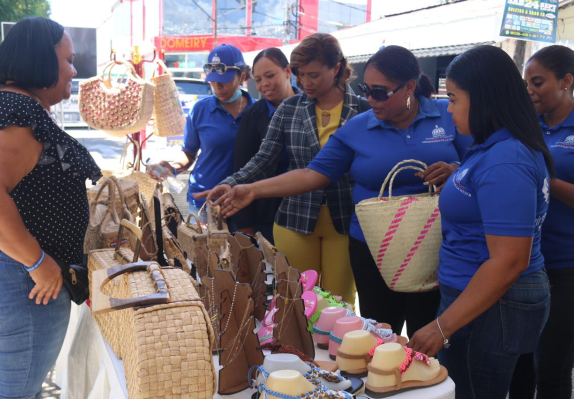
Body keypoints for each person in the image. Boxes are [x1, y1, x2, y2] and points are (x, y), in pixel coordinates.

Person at [201, 45, 471, 335]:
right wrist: (252, 189)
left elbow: (482, 160)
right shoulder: (359, 127)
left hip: (433, 245)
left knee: (428, 332)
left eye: (380, 92)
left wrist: (457, 169)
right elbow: (312, 174)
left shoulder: (448, 114)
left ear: (409, 87)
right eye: (366, 89)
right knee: (377, 333)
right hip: (373, 247)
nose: (370, 99)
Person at [407, 45, 554, 399]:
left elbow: (508, 261)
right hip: (477, 296)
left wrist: (441, 327)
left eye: (454, 100)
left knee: (471, 391)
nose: (449, 111)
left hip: (490, 302)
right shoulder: (494, 147)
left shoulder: (507, 160)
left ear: (484, 98)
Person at [0, 17, 101, 398]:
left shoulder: (17, 108)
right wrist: (38, 263)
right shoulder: (16, 113)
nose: (74, 70)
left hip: (21, 276)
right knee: (17, 391)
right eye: (68, 60)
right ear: (41, 60)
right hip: (24, 279)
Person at [198, 33, 369, 307]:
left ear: (336, 68)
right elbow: (263, 159)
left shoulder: (363, 108)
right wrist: (231, 182)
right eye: (301, 75)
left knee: (339, 305)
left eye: (313, 75)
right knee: (295, 302)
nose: (305, 82)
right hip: (295, 217)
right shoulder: (289, 108)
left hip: (346, 219)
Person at [510, 45, 574, 399]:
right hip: (524, 262)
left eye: (538, 82)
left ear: (566, 80)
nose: (530, 90)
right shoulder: (525, 125)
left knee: (551, 368)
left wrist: (545, 173)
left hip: (566, 265)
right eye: (526, 83)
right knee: (518, 361)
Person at [151, 44, 254, 223]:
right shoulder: (200, 110)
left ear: (242, 76)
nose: (217, 87)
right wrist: (171, 167)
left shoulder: (258, 111)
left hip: (246, 203)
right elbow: (189, 153)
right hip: (203, 203)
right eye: (213, 81)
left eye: (224, 81)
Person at [233, 48, 297, 243]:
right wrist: (245, 226)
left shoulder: (311, 106)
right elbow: (242, 168)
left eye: (270, 76)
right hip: (269, 215)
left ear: (288, 71)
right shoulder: (253, 116)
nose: (264, 85)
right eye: (258, 79)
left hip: (311, 209)